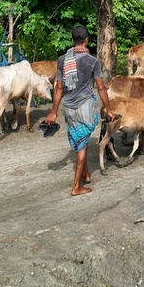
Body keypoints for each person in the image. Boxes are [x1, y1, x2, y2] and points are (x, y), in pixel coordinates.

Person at [44, 25, 116, 196]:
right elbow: (101, 89)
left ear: (72, 40)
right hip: (84, 108)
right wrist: (108, 109)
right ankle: (76, 186)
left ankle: (86, 174)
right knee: (82, 145)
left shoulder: (62, 60)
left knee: (77, 140)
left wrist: (53, 111)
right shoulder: (92, 61)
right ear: (86, 40)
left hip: (68, 108)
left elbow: (59, 88)